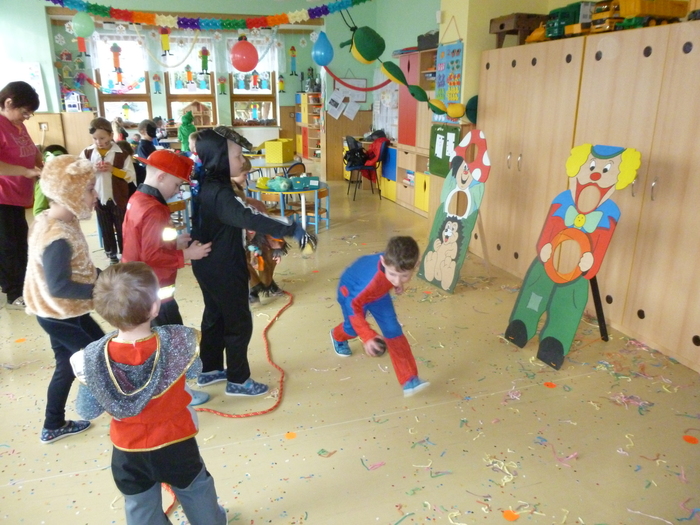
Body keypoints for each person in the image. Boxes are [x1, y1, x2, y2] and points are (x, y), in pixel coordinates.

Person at [70, 262, 227, 525]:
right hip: (176, 441)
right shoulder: (177, 341)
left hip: (128, 450)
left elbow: (87, 410)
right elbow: (194, 371)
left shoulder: (91, 358)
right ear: (155, 307)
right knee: (195, 490)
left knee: (140, 505)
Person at [191, 126, 316, 396]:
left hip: (208, 265)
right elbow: (250, 217)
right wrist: (292, 229)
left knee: (214, 316)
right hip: (224, 267)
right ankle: (238, 380)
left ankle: (210, 369)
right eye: (237, 156)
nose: (242, 161)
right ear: (221, 159)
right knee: (238, 322)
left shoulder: (207, 183)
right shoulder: (221, 193)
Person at [23, 154, 105, 443]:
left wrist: (100, 275)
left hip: (63, 311)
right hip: (59, 313)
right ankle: (128, 412)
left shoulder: (58, 219)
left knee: (67, 366)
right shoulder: (57, 236)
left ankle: (53, 424)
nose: (95, 196)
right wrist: (102, 290)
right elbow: (59, 286)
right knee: (101, 359)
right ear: (70, 193)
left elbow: (77, 267)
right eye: (90, 189)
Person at [330, 236, 430, 397]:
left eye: (404, 276)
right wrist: (367, 336)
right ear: (383, 262)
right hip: (351, 294)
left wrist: (396, 284)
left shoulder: (394, 264)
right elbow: (352, 305)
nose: (397, 281)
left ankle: (409, 379)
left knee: (393, 330)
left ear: (415, 265)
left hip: (378, 295)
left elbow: (394, 277)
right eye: (393, 275)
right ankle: (337, 336)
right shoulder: (369, 280)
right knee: (352, 330)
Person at [122, 149, 211, 326]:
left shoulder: (137, 198)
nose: (177, 191)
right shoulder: (154, 210)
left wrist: (173, 244)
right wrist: (188, 254)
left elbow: (142, 241)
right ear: (161, 177)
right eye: (177, 185)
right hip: (155, 291)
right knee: (170, 334)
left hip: (137, 284)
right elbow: (151, 255)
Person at [0, 81, 42, 309]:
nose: (26, 118)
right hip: (3, 197)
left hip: (18, 196)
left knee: (20, 242)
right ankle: (13, 291)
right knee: (8, 245)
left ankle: (25, 284)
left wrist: (42, 164)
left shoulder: (17, 124)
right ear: (8, 103)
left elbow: (31, 150)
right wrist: (24, 171)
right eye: (24, 112)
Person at [230, 157, 287, 303]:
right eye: (244, 174)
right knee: (241, 260)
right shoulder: (228, 193)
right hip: (237, 235)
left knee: (268, 253)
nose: (247, 178)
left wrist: (276, 245)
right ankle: (254, 288)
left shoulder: (251, 200)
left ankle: (267, 283)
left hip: (254, 232)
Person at [80, 117, 136, 264]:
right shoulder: (87, 153)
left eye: (102, 138)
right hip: (98, 197)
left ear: (111, 135)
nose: (99, 142)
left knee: (122, 227)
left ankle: (125, 253)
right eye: (95, 138)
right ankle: (111, 254)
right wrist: (92, 169)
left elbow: (130, 176)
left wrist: (113, 170)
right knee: (105, 227)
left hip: (118, 197)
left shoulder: (122, 154)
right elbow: (80, 173)